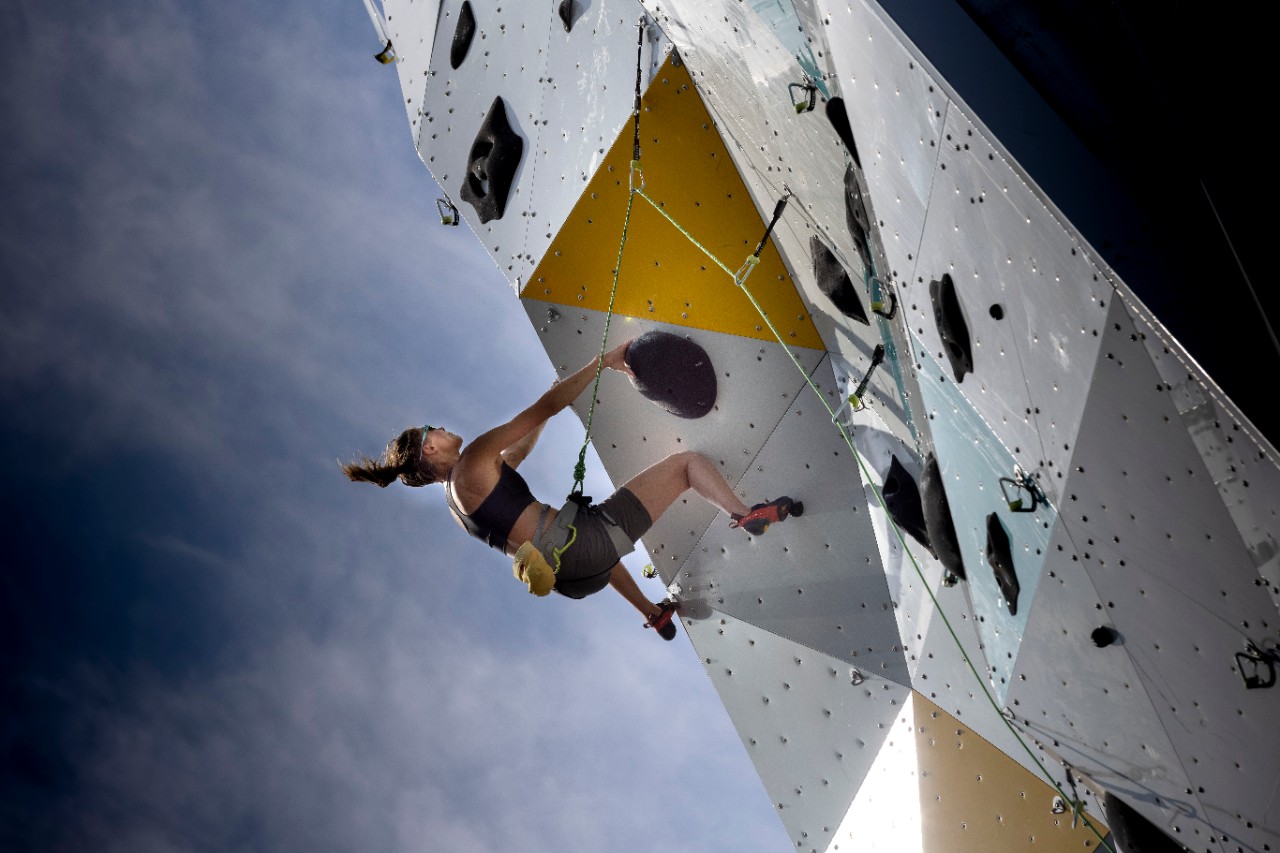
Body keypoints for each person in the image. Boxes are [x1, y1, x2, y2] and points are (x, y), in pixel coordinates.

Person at [341, 340, 799, 639]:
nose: (438, 426)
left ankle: (651, 611)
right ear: (429, 454)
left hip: (574, 578)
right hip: (584, 546)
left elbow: (514, 457)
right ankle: (745, 513)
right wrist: (606, 361)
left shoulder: (457, 502)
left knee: (593, 543)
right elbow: (545, 408)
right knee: (686, 465)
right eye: (428, 431)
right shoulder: (473, 460)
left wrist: (548, 407)